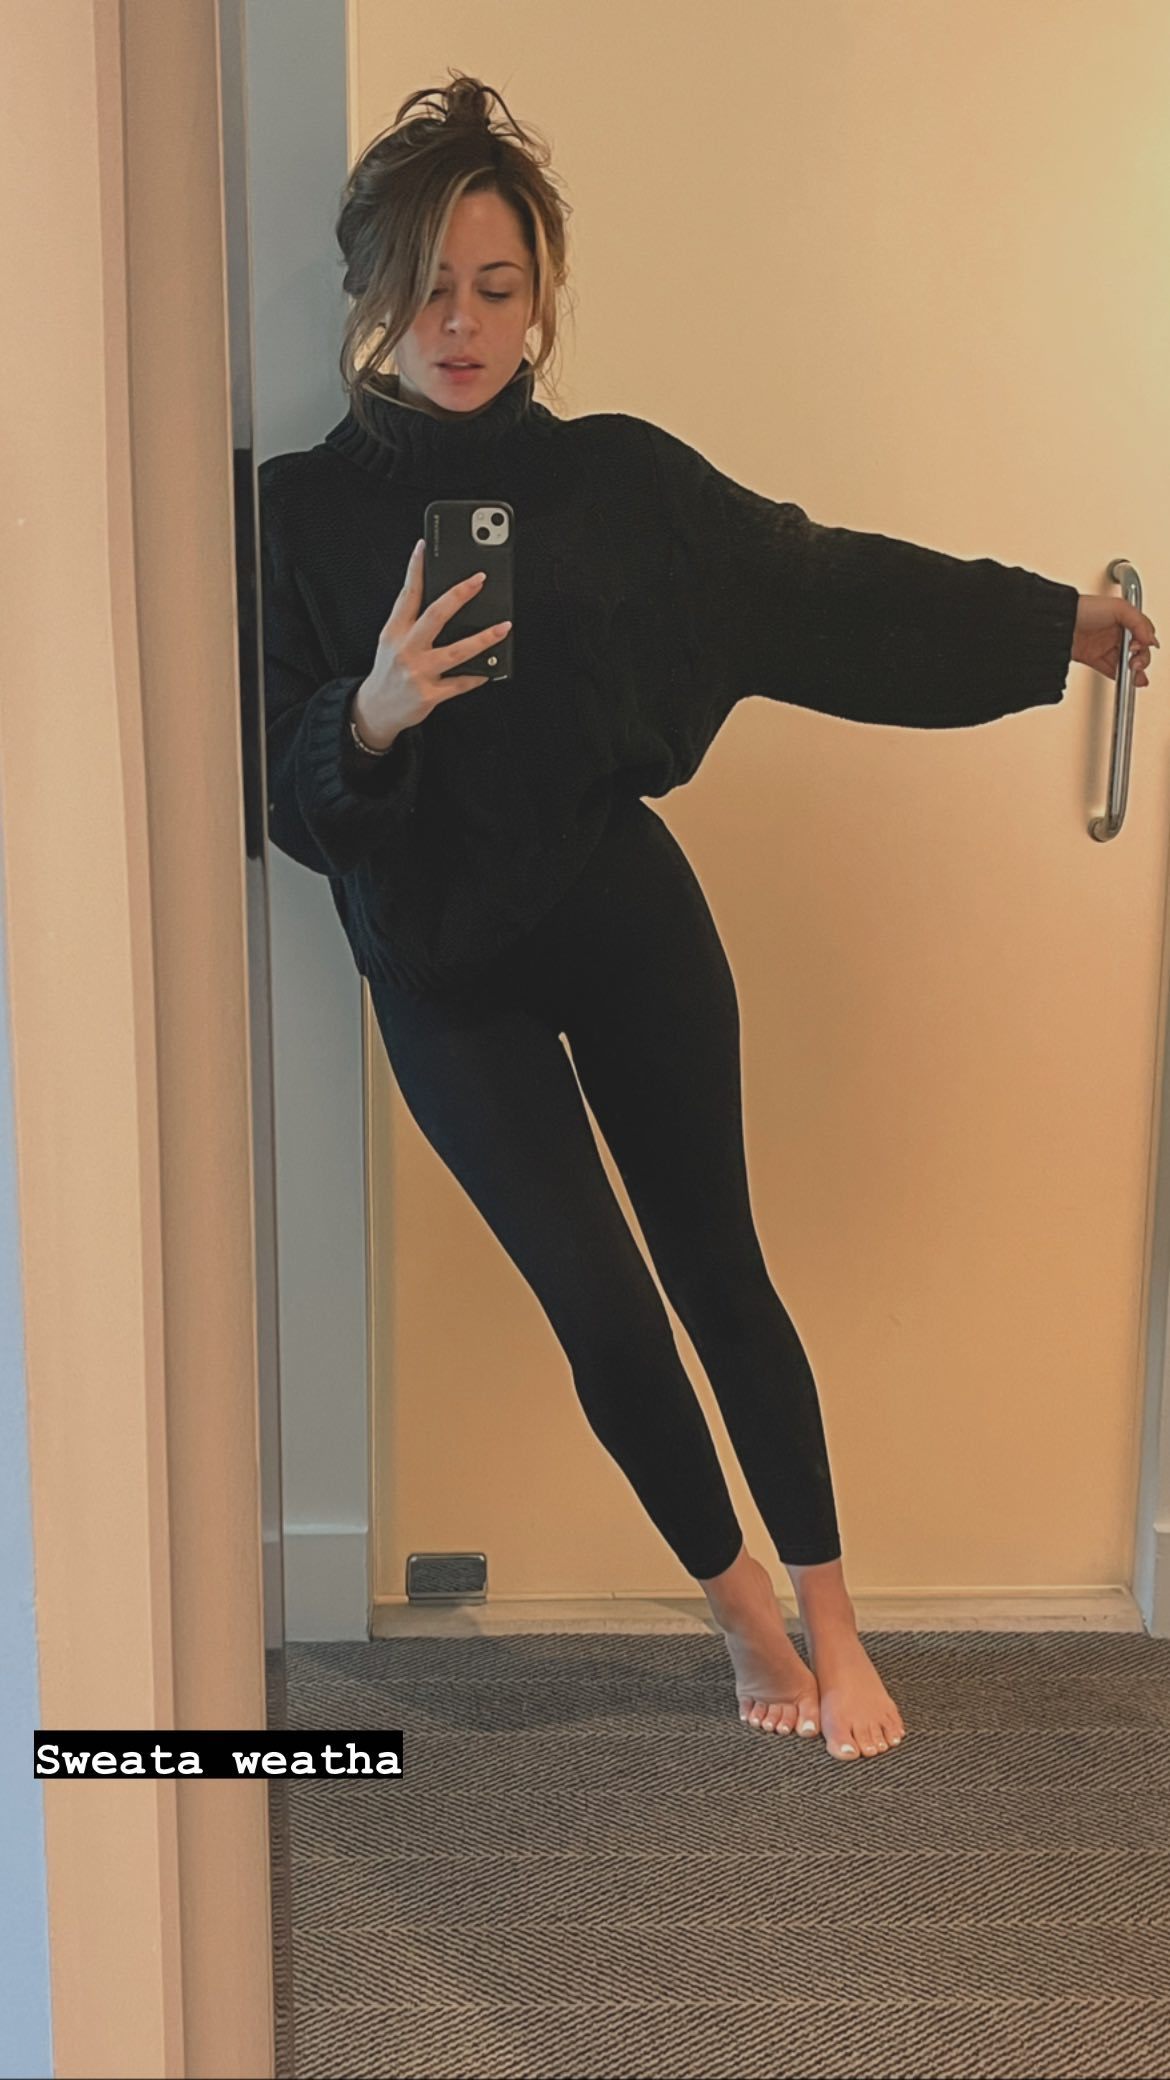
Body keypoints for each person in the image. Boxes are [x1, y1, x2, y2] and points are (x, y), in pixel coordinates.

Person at [259, 72, 1157, 1766]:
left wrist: (1054, 626)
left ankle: (833, 1613)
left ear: (543, 299)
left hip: (622, 915)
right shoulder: (295, 512)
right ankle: (739, 1600)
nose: (463, 326)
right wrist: (365, 714)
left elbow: (820, 588)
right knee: (602, 1311)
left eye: (498, 287)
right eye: (430, 287)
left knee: (718, 1274)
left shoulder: (621, 481)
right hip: (440, 967)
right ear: (372, 291)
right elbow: (281, 803)